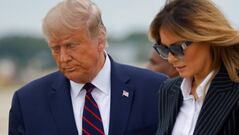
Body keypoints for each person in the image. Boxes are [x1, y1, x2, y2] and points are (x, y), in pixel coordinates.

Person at [8, 0, 167, 135]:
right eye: (56, 49)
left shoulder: (156, 89)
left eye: (71, 46)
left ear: (100, 39)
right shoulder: (27, 103)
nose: (63, 58)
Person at [148, 0, 239, 134]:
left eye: (177, 48)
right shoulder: (168, 91)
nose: (170, 58)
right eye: (164, 49)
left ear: (206, 36)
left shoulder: (236, 92)